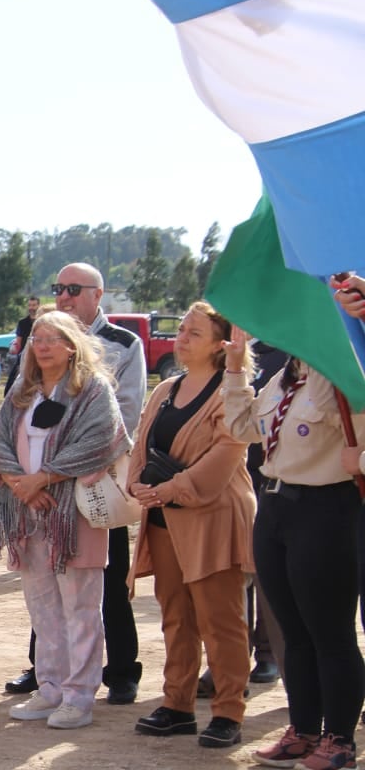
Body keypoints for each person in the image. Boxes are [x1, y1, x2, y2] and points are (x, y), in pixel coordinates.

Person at [0, 310, 130, 730]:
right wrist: (19, 483)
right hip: (27, 512)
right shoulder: (23, 392)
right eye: (37, 339)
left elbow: (102, 441)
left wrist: (44, 479)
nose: (42, 345)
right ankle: (49, 688)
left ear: (71, 345)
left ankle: (79, 696)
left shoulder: (92, 390)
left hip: (73, 514)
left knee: (81, 606)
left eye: (52, 338)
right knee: (42, 605)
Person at [6, 263, 147, 704]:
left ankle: (120, 669)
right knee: (44, 586)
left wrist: (56, 470)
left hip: (93, 488)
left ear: (98, 294)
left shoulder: (124, 344)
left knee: (104, 583)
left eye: (73, 289)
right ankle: (47, 673)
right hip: (37, 494)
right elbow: (10, 417)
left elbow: (121, 416)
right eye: (58, 288)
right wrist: (24, 479)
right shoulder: (37, 346)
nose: (64, 295)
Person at [224, 328, 365, 770]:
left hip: (327, 509)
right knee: (293, 630)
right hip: (277, 505)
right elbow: (242, 427)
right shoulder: (286, 376)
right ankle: (303, 730)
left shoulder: (343, 374)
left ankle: (339, 738)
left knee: (330, 632)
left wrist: (360, 460)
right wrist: (234, 369)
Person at [124, 302, 254, 748]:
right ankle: (177, 704)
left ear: (221, 346)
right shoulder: (166, 389)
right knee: (176, 616)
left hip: (212, 521)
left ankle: (228, 711)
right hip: (163, 521)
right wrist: (138, 483)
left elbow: (226, 455)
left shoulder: (232, 393)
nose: (181, 337)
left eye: (193, 333)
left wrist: (168, 489)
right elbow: (141, 444)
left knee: (221, 620)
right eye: (181, 329)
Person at [3, 295, 41, 394]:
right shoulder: (22, 323)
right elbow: (18, 342)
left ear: (38, 306)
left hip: (39, 355)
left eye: (34, 305)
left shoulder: (42, 322)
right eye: (30, 305)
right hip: (24, 356)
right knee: (11, 383)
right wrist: (14, 348)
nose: (31, 308)